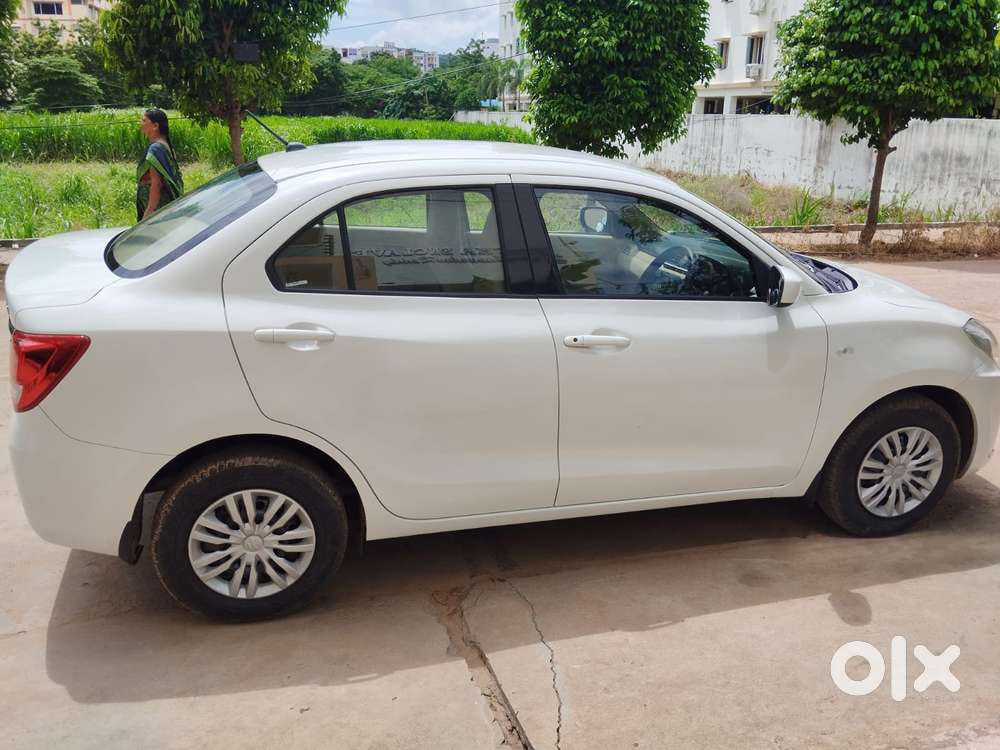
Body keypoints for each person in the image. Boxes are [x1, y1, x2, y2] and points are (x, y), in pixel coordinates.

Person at [136, 108, 183, 221]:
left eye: (144, 120)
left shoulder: (156, 149)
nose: (140, 123)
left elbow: (156, 183)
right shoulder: (163, 145)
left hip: (156, 206)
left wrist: (149, 210)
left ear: (155, 126)